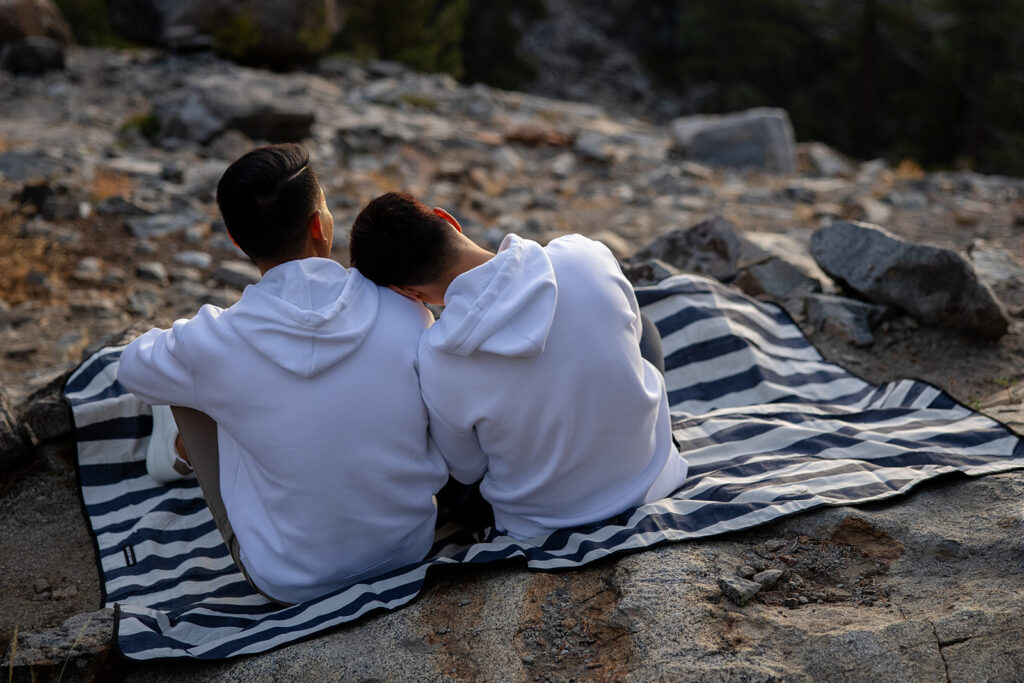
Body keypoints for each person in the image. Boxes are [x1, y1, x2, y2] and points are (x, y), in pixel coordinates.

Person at [117, 146, 448, 604]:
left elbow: (133, 366)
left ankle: (175, 452)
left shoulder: (213, 339)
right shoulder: (405, 309)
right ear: (320, 226)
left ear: (236, 240)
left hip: (290, 580)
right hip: (409, 550)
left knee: (192, 382)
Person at [349, 192, 688, 540]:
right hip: (653, 480)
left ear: (409, 292)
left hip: (544, 522)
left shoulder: (439, 359)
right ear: (447, 218)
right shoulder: (584, 255)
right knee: (641, 326)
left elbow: (467, 470)